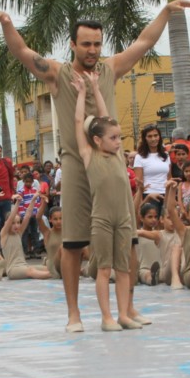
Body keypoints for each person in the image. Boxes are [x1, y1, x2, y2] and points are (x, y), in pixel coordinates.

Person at [0, 0, 190, 332]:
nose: (92, 49)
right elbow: (23, 52)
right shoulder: (58, 74)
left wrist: (166, 12)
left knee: (127, 239)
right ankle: (74, 314)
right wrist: (7, 24)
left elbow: (144, 42)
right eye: (86, 43)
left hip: (112, 167)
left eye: (97, 43)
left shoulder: (110, 69)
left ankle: (127, 308)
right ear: (73, 44)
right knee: (72, 242)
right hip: (76, 167)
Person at [72, 71, 140, 330]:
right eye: (113, 138)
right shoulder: (90, 156)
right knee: (104, 269)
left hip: (123, 219)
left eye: (119, 138)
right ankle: (106, 317)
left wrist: (96, 87)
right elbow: (80, 122)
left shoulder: (119, 156)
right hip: (101, 220)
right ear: (97, 140)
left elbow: (106, 114)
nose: (118, 142)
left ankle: (123, 314)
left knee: (123, 270)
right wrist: (81, 93)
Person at [1, 194, 52, 281]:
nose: (16, 225)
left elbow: (28, 215)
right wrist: (18, 202)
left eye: (18, 222)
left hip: (25, 266)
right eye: (13, 223)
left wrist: (33, 199)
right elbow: (10, 219)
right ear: (7, 223)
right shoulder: (4, 235)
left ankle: (75, 271)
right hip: (13, 270)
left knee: (47, 267)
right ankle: (53, 275)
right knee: (31, 271)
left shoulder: (18, 233)